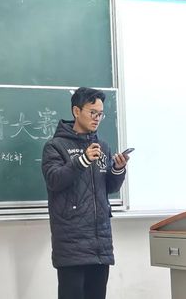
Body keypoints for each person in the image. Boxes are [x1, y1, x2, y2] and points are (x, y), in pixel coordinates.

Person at [41, 87, 130, 299]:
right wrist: (82, 160)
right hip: (72, 244)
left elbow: (108, 188)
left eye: (100, 114)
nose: (97, 118)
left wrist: (118, 169)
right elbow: (54, 180)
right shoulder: (55, 146)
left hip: (100, 243)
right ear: (76, 111)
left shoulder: (102, 146)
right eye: (92, 113)